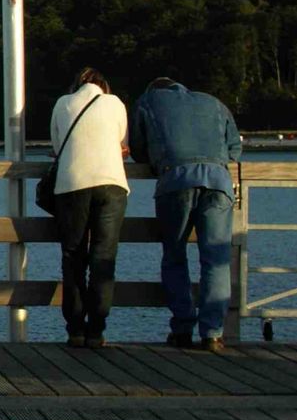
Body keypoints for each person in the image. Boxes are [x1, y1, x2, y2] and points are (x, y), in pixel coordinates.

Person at [129, 77, 243, 353]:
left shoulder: (147, 101)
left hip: (175, 181)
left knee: (175, 256)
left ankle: (182, 328)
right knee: (216, 260)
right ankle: (213, 333)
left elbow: (138, 151)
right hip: (218, 181)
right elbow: (235, 150)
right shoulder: (214, 103)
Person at [48, 68, 128, 348]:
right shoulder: (115, 103)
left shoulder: (62, 104)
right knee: (103, 259)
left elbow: (58, 146)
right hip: (112, 184)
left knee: (73, 259)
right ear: (103, 86)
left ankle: (75, 330)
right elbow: (122, 144)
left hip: (71, 185)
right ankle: (96, 331)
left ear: (77, 85)